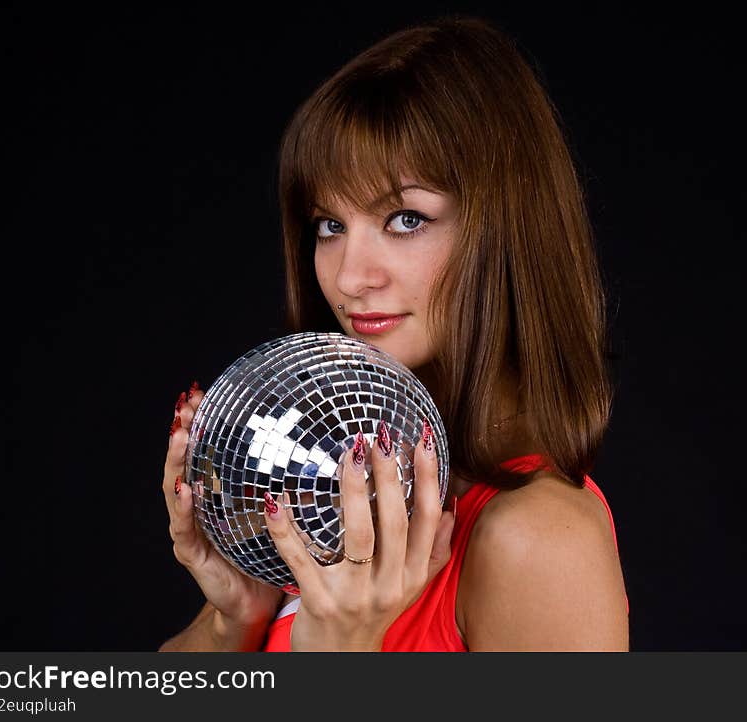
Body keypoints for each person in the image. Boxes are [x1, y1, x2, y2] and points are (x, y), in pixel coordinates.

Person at [158, 14, 629, 652]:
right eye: (328, 224)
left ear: (505, 234)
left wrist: (340, 649)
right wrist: (234, 618)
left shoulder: (536, 537)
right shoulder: (334, 499)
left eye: (406, 218)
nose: (350, 277)